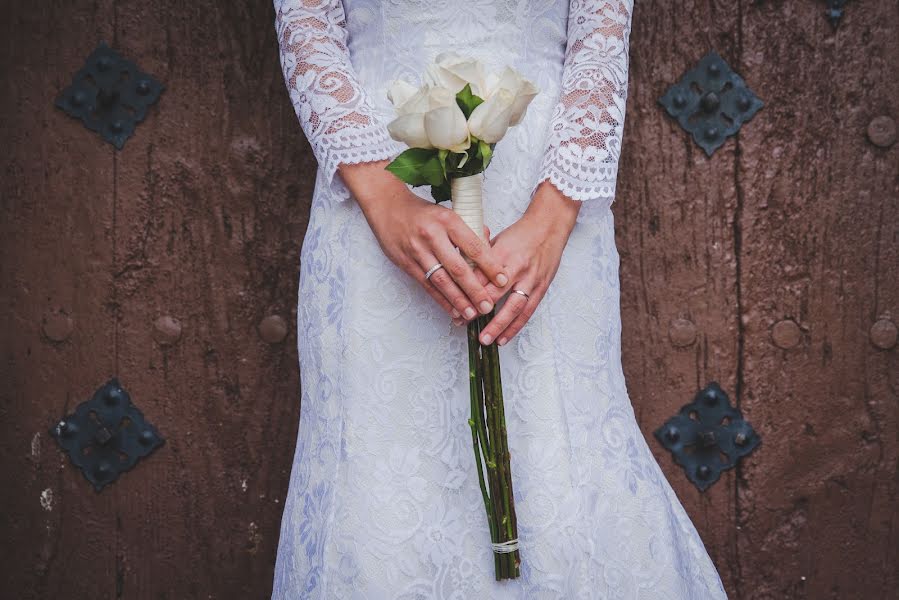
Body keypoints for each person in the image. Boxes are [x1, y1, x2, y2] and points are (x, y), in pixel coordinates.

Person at [271, 1, 728, 598]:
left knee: (561, 441)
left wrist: (556, 209)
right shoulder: (378, 196)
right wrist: (384, 197)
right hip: (375, 175)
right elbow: (307, 21)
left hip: (546, 178)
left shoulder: (555, 205)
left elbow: (601, 31)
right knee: (379, 458)